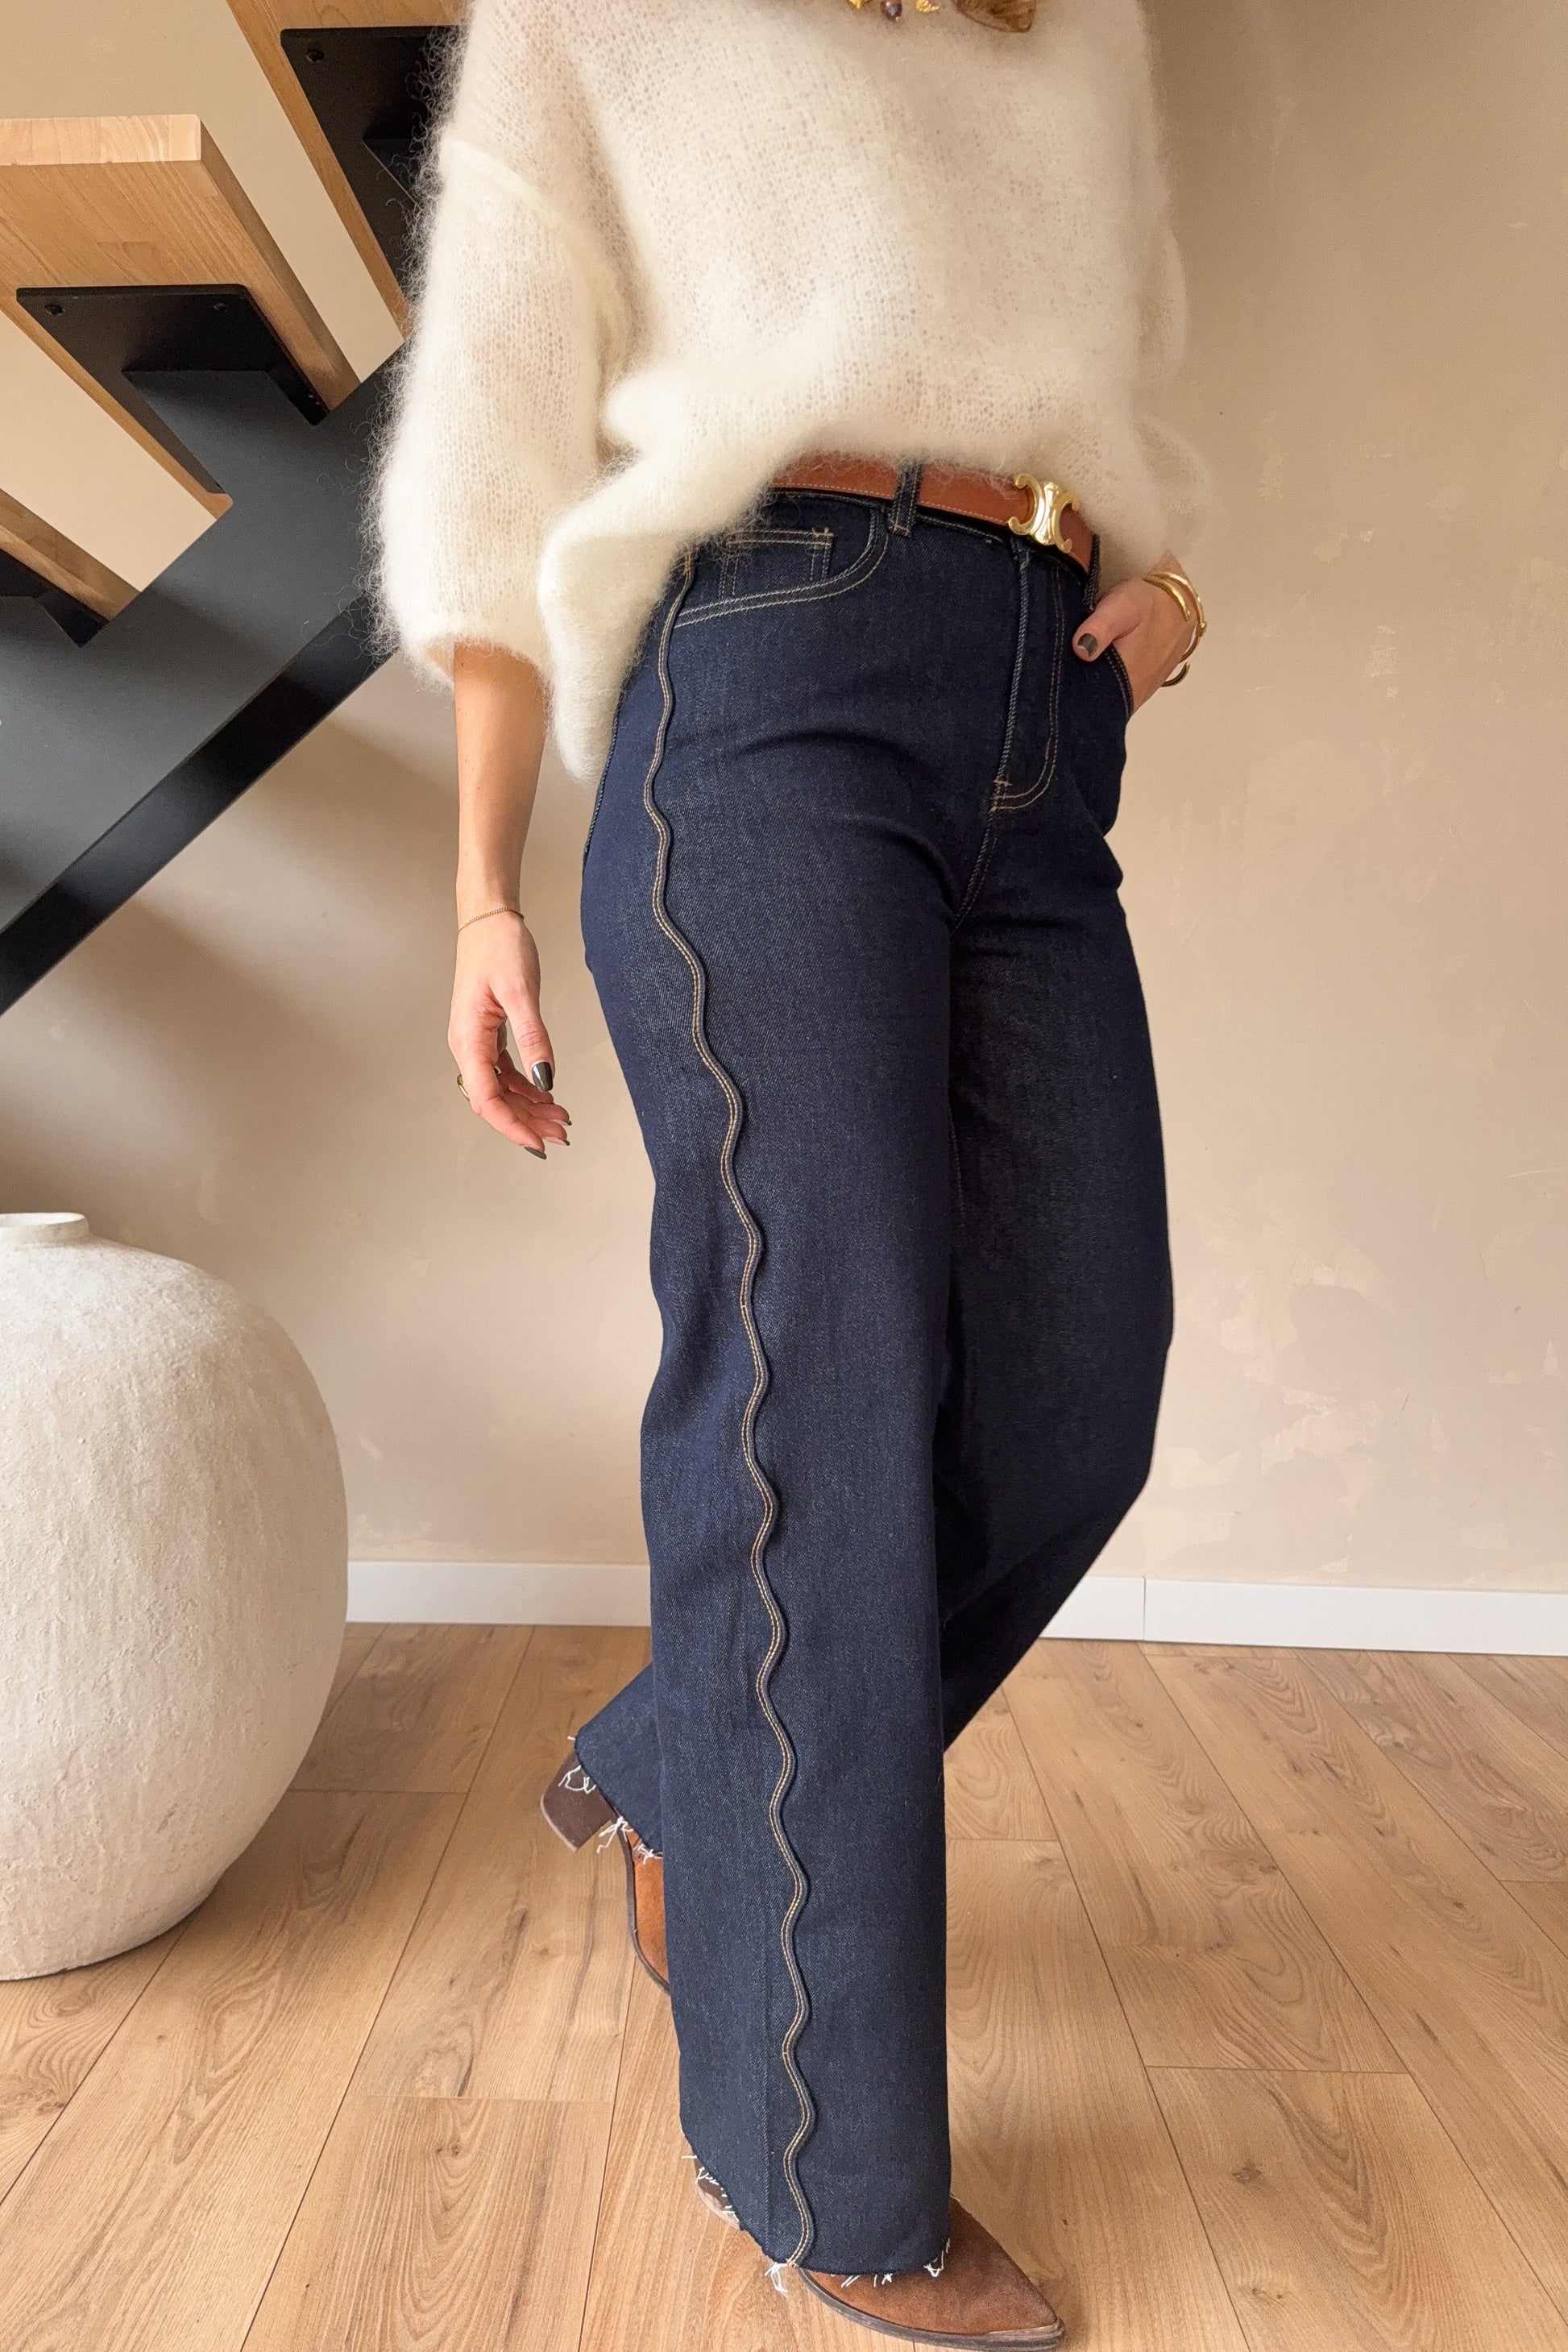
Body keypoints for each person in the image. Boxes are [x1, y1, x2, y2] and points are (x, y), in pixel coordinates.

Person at [378, 0, 1209, 2339]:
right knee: (813, 1408)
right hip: (765, 679)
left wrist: (1177, 581)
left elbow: (1131, 363)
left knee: (1079, 1385)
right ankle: (833, 2180)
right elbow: (492, 433)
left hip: (1048, 701)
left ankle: (678, 1777)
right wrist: (479, 892)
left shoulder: (1078, 25)